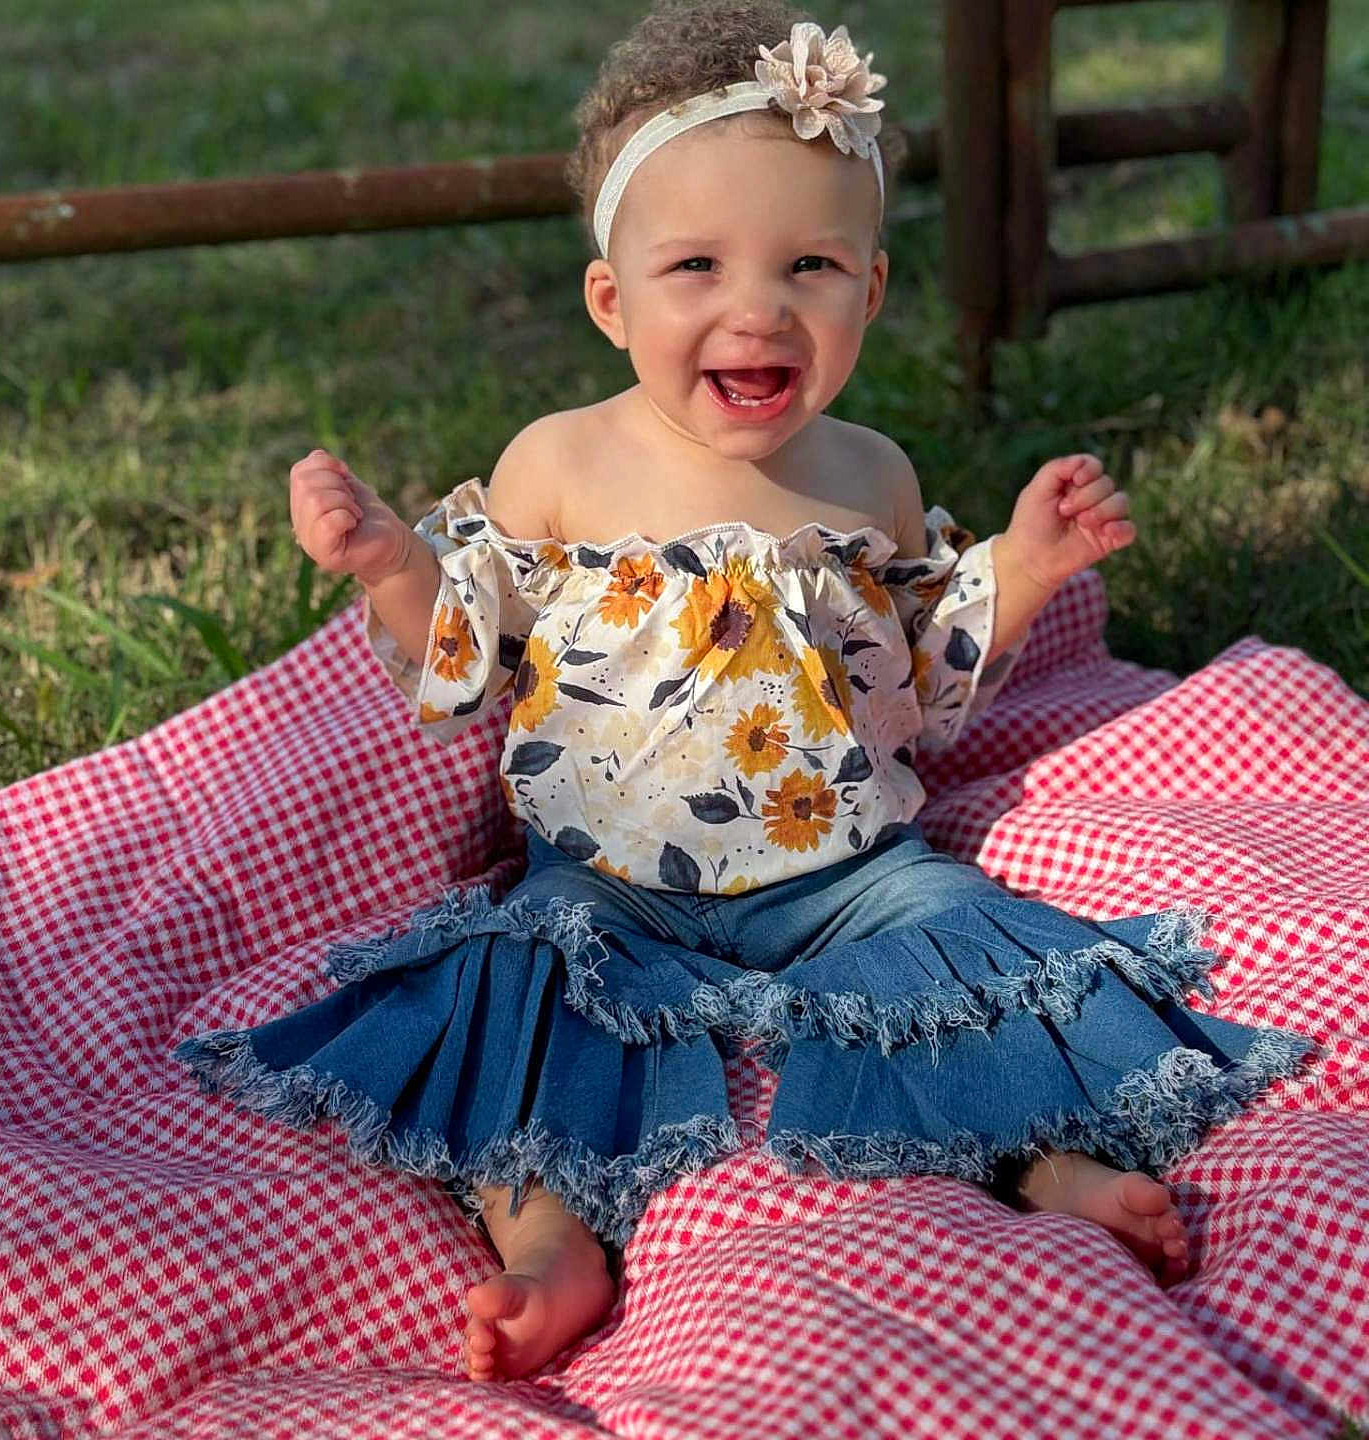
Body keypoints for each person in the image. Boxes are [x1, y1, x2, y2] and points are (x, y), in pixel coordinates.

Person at [176, 0, 1314, 1384]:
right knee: (519, 985)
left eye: (811, 264)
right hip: (607, 876)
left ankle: (1047, 1161)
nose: (757, 309)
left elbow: (925, 672)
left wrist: (1022, 560)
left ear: (873, 291)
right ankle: (548, 1236)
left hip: (844, 871)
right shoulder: (559, 463)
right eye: (697, 266)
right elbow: (464, 646)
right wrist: (388, 563)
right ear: (613, 300)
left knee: (967, 943)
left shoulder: (871, 475)